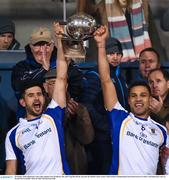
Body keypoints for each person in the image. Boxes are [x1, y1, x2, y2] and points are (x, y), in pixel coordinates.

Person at [94, 25, 167, 175]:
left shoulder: (162, 131)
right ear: (128, 100)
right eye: (133, 96)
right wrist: (101, 45)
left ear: (150, 99)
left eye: (143, 95)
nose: (138, 99)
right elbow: (106, 80)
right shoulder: (120, 118)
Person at [5, 23, 71, 175]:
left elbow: (61, 76)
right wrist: (44, 70)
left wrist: (60, 39)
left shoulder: (54, 117)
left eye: (39, 94)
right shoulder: (13, 134)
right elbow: (10, 172)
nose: (36, 98)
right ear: (22, 102)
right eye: (31, 95)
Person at [82, 37, 128, 174]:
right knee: (104, 169)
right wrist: (104, 126)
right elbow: (86, 104)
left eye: (118, 54)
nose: (115, 57)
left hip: (119, 134)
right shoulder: (95, 75)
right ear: (103, 54)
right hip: (102, 137)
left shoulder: (120, 76)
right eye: (111, 53)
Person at [43, 68, 94, 174]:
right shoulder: (40, 111)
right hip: (48, 170)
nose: (58, 88)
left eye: (61, 83)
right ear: (45, 87)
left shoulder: (79, 108)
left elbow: (88, 139)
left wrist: (76, 117)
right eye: (53, 83)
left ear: (66, 86)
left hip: (74, 168)